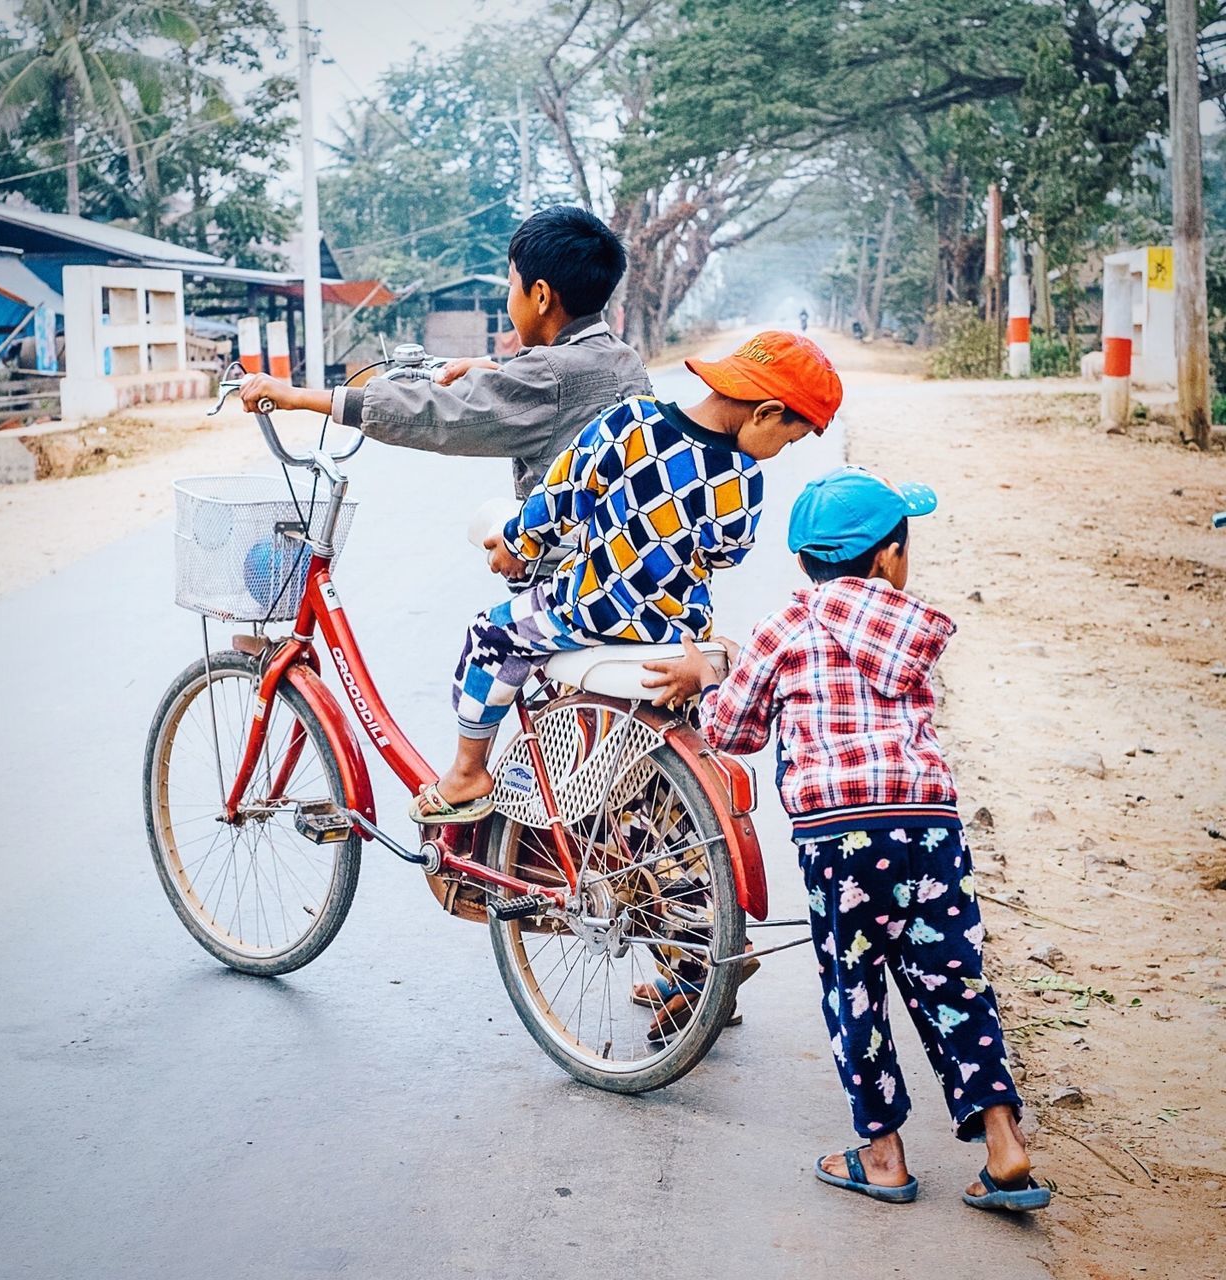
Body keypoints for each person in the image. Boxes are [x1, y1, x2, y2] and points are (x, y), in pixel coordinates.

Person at [642, 466, 1049, 1213]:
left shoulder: (785, 626)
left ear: (802, 562)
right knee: (953, 979)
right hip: (929, 823)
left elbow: (731, 729)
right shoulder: (911, 628)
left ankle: (885, 1157)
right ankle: (1004, 1145)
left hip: (840, 838)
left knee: (854, 990)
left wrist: (712, 674)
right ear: (891, 556)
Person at [408, 331, 844, 823]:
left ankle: (468, 771)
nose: (779, 450)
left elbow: (562, 496)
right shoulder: (743, 475)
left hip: (593, 610)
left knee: (490, 634)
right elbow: (726, 554)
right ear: (764, 413)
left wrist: (517, 543)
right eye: (790, 440)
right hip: (675, 631)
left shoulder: (632, 422)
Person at [237, 205, 651, 499]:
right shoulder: (622, 359)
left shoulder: (550, 375)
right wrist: (495, 370)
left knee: (484, 625)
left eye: (511, 285)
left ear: (540, 295)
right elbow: (559, 396)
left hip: (569, 573)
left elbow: (436, 412)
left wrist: (297, 397)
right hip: (622, 559)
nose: (508, 298)